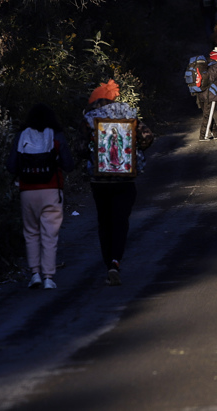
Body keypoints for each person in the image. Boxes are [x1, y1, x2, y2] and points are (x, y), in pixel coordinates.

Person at [81, 80, 155, 286]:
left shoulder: (89, 120)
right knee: (121, 221)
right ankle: (116, 261)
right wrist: (133, 152)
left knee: (105, 223)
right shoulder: (129, 115)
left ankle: (108, 265)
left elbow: (81, 148)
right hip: (125, 178)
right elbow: (148, 137)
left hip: (100, 181)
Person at [6, 104, 76, 290]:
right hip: (52, 190)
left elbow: (11, 166)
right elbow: (69, 164)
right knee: (49, 234)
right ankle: (48, 277)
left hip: (27, 191)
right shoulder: (56, 135)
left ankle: (34, 274)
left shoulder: (22, 136)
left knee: (31, 233)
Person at [192, 55, 217, 141]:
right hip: (210, 94)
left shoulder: (204, 64)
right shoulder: (216, 66)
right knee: (207, 115)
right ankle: (203, 135)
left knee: (208, 114)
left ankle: (215, 134)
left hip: (200, 93)